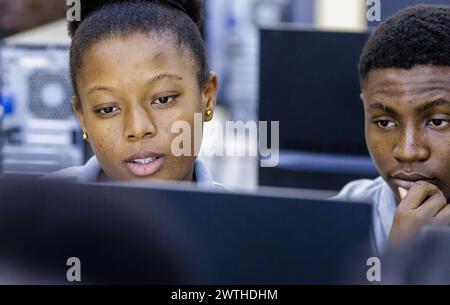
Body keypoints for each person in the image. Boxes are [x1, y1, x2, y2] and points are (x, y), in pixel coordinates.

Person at [46, 0, 222, 189]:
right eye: (108, 109)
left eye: (163, 100)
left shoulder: (246, 217)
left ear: (207, 98)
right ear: (82, 118)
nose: (138, 129)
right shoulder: (30, 211)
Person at [334, 4, 450, 254]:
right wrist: (402, 256)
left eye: (438, 121)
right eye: (385, 122)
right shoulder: (343, 217)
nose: (408, 151)